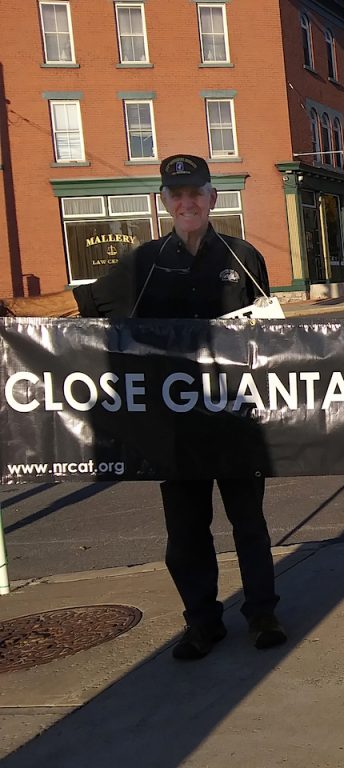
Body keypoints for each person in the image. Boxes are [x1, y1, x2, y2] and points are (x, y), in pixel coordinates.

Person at [70, 154, 285, 660]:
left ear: (212, 198)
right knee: (186, 532)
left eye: (196, 193)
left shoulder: (242, 258)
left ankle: (262, 614)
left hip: (236, 422)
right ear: (164, 201)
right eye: (178, 194)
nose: (188, 202)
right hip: (173, 428)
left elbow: (270, 336)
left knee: (249, 525)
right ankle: (202, 622)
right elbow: (83, 310)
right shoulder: (141, 263)